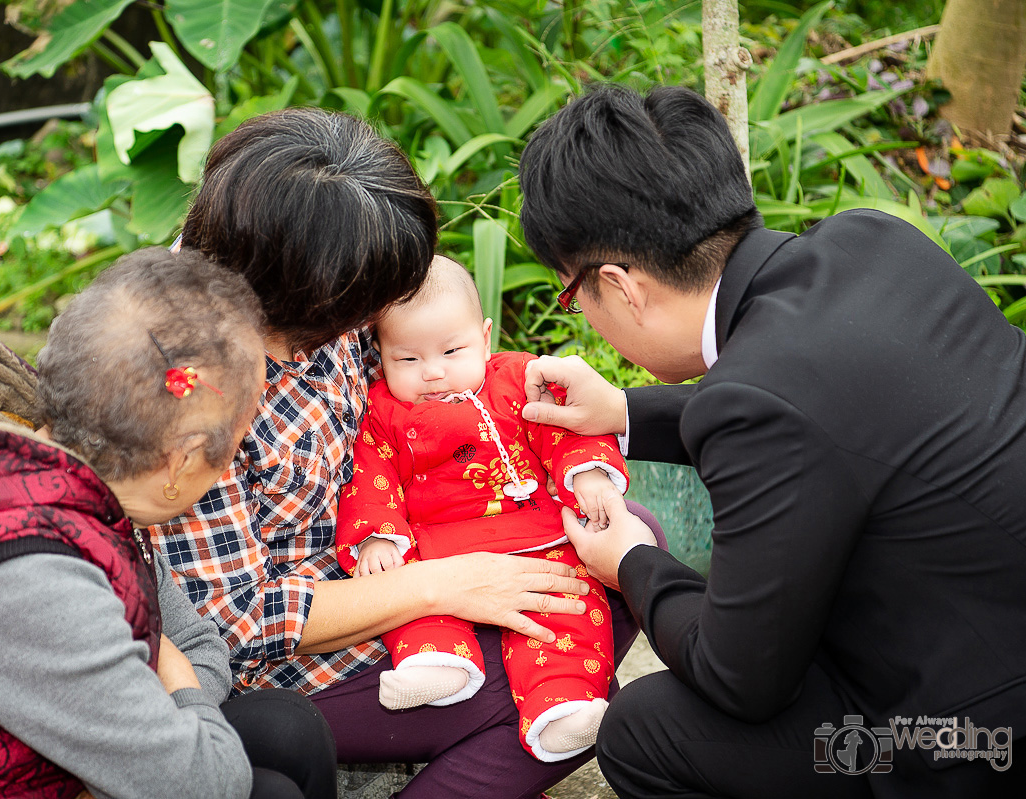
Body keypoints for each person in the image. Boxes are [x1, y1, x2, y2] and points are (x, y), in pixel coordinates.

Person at [515, 83, 1026, 798]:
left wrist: (630, 560)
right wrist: (623, 411)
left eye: (573, 294)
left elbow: (740, 680)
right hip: (992, 633)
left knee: (646, 728)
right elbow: (820, 409)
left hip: (970, 741)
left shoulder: (757, 405)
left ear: (621, 286)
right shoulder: (874, 241)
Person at [150, 107, 666, 799]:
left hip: (403, 542)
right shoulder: (183, 389)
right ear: (306, 298)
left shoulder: (304, 270)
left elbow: (428, 377)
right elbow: (236, 621)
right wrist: (446, 583)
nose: (368, 325)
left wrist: (522, 401)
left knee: (622, 548)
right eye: (361, 311)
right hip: (299, 655)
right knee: (549, 683)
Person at [0, 248, 336, 799]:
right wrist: (168, 679)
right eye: (237, 443)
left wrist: (164, 688)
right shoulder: (31, 580)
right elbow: (204, 786)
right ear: (181, 460)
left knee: (289, 728)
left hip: (24, 760)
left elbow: (196, 641)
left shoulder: (69, 467)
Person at [335, 256, 629, 762]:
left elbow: (561, 431)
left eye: (452, 351)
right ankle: (436, 664)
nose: (433, 372)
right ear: (379, 355)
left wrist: (591, 474)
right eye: (407, 359)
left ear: (485, 337)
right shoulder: (384, 412)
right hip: (438, 551)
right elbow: (370, 477)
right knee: (407, 597)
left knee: (568, 609)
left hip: (538, 540)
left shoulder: (518, 380)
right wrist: (378, 536)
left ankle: (566, 706)